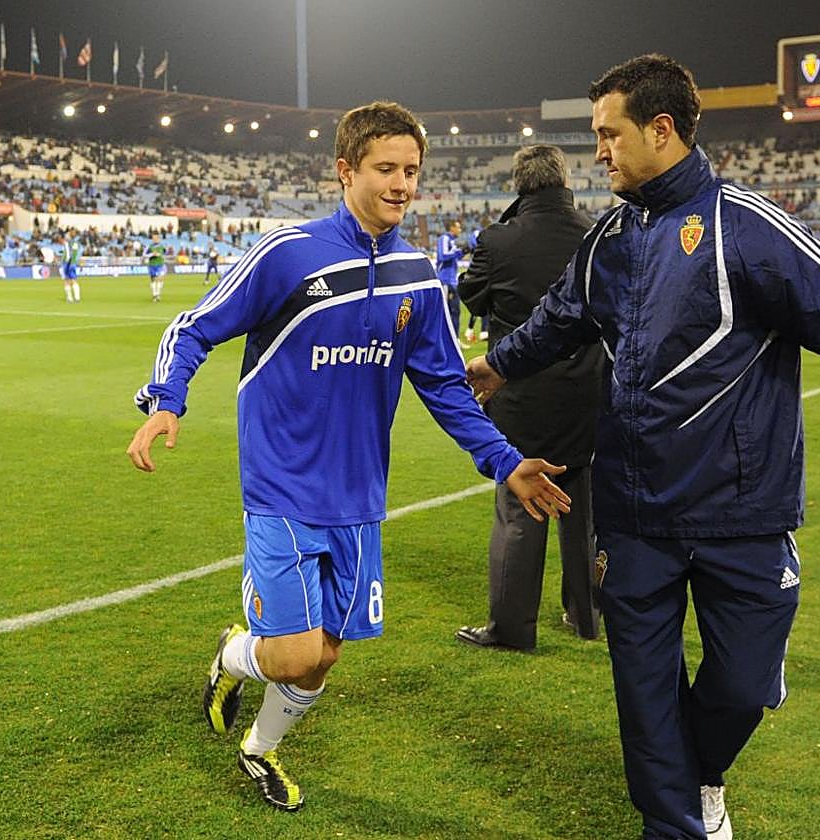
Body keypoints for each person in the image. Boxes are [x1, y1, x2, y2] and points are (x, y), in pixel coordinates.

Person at [466, 54, 820, 840]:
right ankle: (678, 823)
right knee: (645, 689)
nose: (599, 151)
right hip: (633, 512)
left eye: (609, 134)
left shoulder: (749, 226)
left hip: (742, 511)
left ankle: (701, 778)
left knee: (743, 682)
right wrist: (497, 362)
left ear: (661, 131)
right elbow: (562, 316)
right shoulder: (610, 238)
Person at [125, 100, 572, 814]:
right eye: (386, 168)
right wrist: (166, 400)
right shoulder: (288, 256)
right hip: (281, 486)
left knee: (325, 655)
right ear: (345, 170)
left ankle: (257, 748)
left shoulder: (417, 277)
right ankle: (233, 655)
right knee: (297, 654)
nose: (402, 184)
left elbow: (448, 391)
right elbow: (193, 326)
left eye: (412, 171)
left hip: (359, 496)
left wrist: (505, 460)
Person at [456, 144, 603, 650]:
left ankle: (512, 628)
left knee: (520, 508)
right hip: (587, 392)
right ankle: (585, 616)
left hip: (518, 392)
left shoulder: (499, 240)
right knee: (582, 509)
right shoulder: (594, 234)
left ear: (520, 186)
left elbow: (471, 296)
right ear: (564, 181)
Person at [436, 219, 465, 346]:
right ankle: (442, 341)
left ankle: (455, 340)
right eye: (458, 227)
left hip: (452, 281)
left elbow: (453, 257)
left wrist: (463, 252)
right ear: (452, 227)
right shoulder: (444, 238)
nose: (460, 230)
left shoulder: (452, 241)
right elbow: (443, 256)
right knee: (445, 312)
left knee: (456, 311)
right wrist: (459, 251)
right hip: (445, 280)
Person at [60, 231, 82, 303]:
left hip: (70, 263)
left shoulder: (74, 243)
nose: (66, 236)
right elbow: (65, 254)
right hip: (65, 263)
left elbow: (75, 253)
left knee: (72, 280)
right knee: (67, 280)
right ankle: (70, 298)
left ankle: (76, 298)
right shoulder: (66, 243)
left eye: (67, 235)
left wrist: (73, 263)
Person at [146, 234, 167, 301]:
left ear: (159, 239)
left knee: (159, 278)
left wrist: (159, 255)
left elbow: (165, 253)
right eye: (153, 238)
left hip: (160, 264)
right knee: (153, 279)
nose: (155, 239)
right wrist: (152, 254)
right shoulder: (149, 247)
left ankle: (158, 294)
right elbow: (144, 255)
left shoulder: (162, 247)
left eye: (156, 238)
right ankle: (154, 294)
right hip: (152, 265)